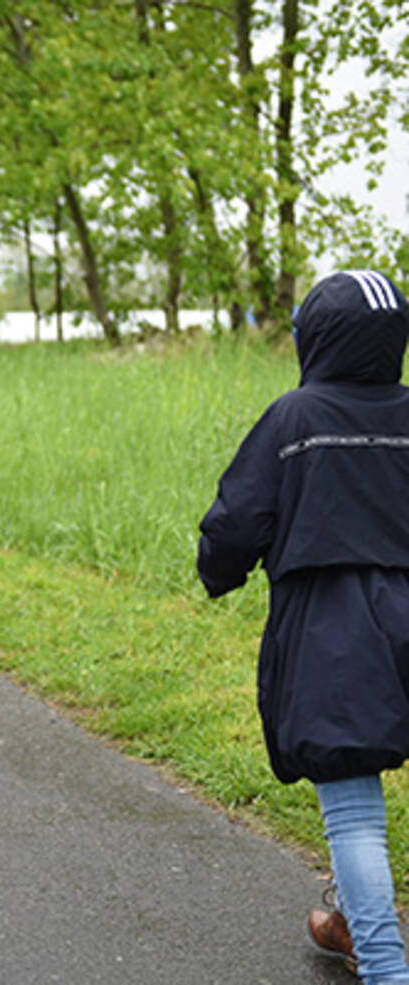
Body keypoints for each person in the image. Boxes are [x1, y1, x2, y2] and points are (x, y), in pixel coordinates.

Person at [198, 270, 409, 984]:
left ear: (315, 336)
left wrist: (218, 570)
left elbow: (238, 519)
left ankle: (385, 967)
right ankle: (350, 921)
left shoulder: (296, 420)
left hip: (334, 633)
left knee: (354, 813)